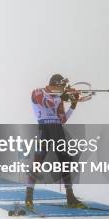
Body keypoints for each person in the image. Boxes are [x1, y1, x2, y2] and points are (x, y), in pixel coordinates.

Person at [26, 74, 86, 209]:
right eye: (61, 86)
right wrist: (62, 97)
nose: (63, 88)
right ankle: (28, 197)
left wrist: (73, 105)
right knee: (38, 161)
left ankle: (70, 197)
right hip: (45, 129)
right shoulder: (37, 92)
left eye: (63, 87)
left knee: (65, 162)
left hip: (57, 129)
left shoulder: (59, 98)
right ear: (54, 84)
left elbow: (62, 119)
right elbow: (46, 102)